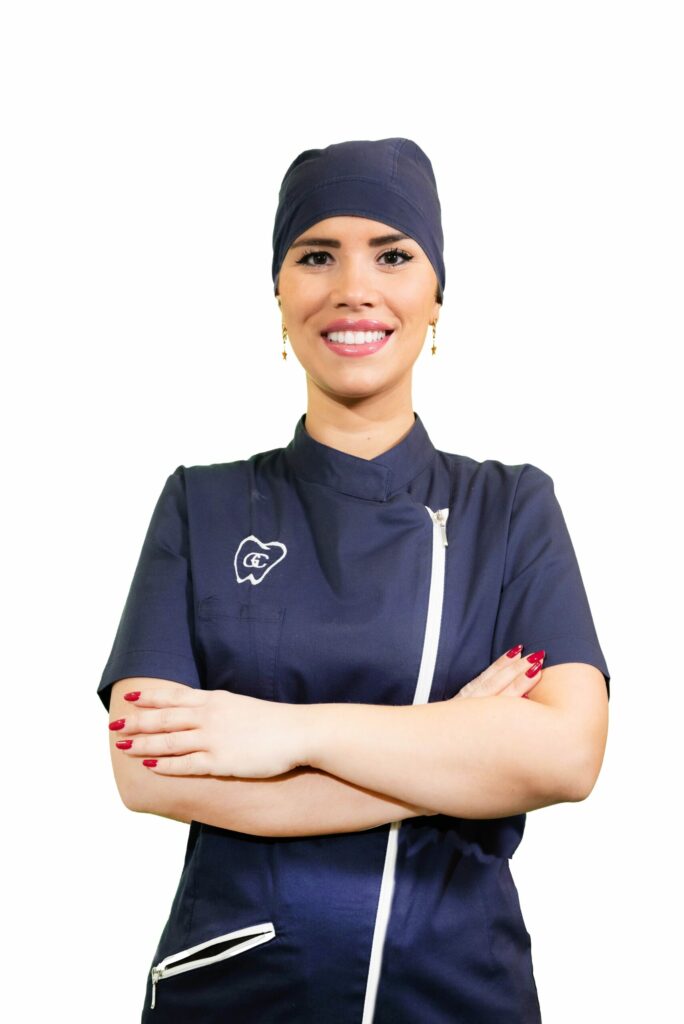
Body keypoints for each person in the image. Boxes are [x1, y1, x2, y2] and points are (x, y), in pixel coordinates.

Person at [98, 137, 610, 1023]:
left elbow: (567, 755)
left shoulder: (510, 508)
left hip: (460, 991)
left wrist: (282, 732)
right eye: (316, 255)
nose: (353, 288)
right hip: (238, 991)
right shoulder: (200, 505)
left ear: (437, 295)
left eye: (393, 254)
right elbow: (149, 771)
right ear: (278, 293)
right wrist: (458, 746)